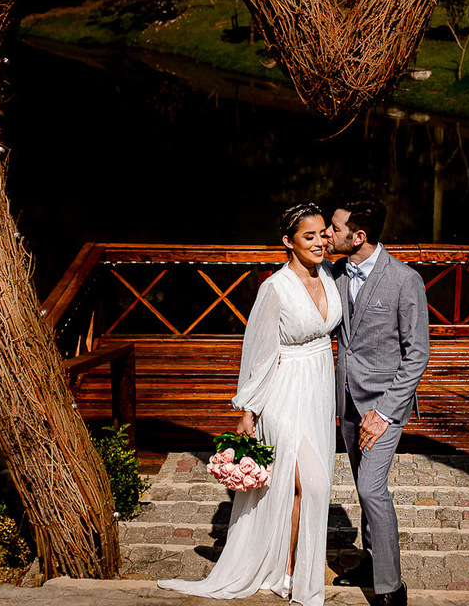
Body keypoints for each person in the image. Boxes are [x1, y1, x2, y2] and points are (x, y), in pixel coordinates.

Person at [159, 203, 341, 606]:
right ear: (287, 242)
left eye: (320, 235)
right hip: (284, 389)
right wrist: (249, 410)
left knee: (304, 490)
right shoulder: (274, 288)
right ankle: (281, 570)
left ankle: (290, 571)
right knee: (309, 484)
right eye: (307, 237)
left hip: (319, 390)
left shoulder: (329, 275)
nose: (317, 243)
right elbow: (259, 351)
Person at [326, 198, 430, 606]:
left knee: (371, 489)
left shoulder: (405, 280)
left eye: (335, 229)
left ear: (359, 236)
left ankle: (391, 589)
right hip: (347, 399)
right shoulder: (335, 271)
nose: (328, 235)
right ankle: (371, 562)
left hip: (384, 407)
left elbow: (417, 352)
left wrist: (384, 413)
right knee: (360, 483)